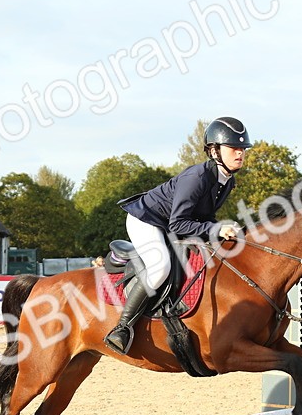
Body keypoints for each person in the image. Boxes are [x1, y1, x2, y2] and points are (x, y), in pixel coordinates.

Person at [103, 116, 251, 354]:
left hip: (169, 224)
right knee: (160, 266)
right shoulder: (198, 177)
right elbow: (180, 223)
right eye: (234, 148)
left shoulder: (226, 180)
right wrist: (215, 229)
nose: (240, 153)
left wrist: (224, 230)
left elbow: (203, 217)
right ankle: (122, 328)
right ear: (214, 151)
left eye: (243, 149)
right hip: (147, 220)